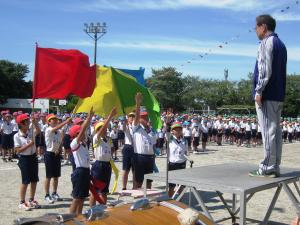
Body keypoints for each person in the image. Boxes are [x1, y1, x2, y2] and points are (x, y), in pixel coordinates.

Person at [249, 14, 287, 178]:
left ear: (263, 26)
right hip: (278, 94)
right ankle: (275, 165)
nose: (255, 30)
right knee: (276, 132)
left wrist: (259, 91)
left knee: (268, 131)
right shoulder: (281, 44)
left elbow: (264, 70)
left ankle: (267, 167)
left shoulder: (266, 42)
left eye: (256, 27)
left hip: (268, 94)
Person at [69, 108, 94, 215]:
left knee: (83, 197)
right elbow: (83, 129)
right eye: (80, 132)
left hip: (85, 171)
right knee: (77, 197)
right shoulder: (74, 143)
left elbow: (84, 129)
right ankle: (69, 218)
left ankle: (79, 216)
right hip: (79, 172)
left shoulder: (83, 143)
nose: (84, 133)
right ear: (76, 135)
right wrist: (88, 118)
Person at [90, 107, 117, 206]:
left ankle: (102, 208)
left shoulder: (108, 139)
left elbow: (112, 149)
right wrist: (110, 116)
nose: (104, 129)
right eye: (101, 128)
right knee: (95, 190)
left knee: (105, 190)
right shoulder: (96, 138)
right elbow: (100, 132)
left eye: (105, 128)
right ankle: (92, 209)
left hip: (107, 165)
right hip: (98, 165)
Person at [14, 114, 41, 210]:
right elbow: (18, 150)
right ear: (21, 124)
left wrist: (35, 122)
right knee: (25, 181)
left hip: (33, 157)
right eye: (26, 121)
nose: (28, 121)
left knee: (34, 180)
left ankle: (31, 199)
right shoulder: (17, 136)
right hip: (24, 159)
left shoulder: (30, 132)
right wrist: (29, 145)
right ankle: (22, 202)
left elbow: (38, 131)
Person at [44, 114, 72, 203]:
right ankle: (47, 195)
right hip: (49, 154)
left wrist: (59, 149)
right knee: (48, 176)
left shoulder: (59, 132)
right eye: (53, 120)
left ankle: (54, 193)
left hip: (56, 154)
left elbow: (60, 142)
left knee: (56, 176)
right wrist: (66, 122)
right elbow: (54, 129)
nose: (55, 121)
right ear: (48, 122)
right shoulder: (48, 129)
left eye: (56, 119)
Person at [132, 92, 155, 189]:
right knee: (138, 182)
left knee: (149, 182)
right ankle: (138, 201)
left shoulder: (151, 130)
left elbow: (153, 143)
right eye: (143, 116)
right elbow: (136, 118)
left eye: (146, 116)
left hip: (150, 157)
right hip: (140, 157)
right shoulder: (136, 127)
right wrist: (138, 103)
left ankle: (147, 200)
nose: (145, 118)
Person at [168, 122, 188, 197]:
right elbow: (166, 132)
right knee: (171, 185)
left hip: (182, 163)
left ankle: (180, 201)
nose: (178, 131)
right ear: (172, 131)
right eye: (176, 129)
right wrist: (168, 121)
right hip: (173, 164)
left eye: (180, 129)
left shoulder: (184, 140)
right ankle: (169, 200)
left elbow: (185, 152)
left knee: (181, 184)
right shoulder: (170, 139)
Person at [122, 112, 135, 190]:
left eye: (133, 116)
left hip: (135, 148)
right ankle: (124, 187)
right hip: (128, 147)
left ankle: (134, 187)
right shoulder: (127, 126)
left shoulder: (136, 127)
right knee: (126, 169)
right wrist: (124, 119)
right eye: (130, 116)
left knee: (135, 170)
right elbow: (124, 128)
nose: (132, 118)